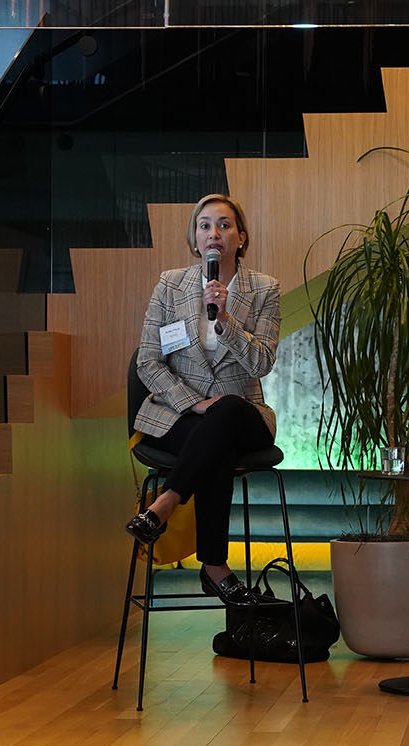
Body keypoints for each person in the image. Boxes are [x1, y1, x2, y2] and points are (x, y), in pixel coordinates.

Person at [124, 193, 281, 609]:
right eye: (205, 225)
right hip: (180, 412)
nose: (215, 233)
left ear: (241, 238)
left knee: (227, 409)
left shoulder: (265, 290)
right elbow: (148, 361)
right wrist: (195, 403)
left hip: (245, 412)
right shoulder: (170, 285)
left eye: (225, 225)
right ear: (195, 239)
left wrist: (225, 319)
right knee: (216, 443)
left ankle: (165, 503)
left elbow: (262, 362)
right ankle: (215, 568)